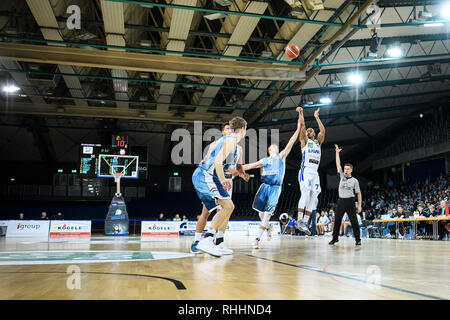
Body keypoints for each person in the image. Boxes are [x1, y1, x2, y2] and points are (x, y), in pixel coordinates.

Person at [243, 108, 301, 249]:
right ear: (269, 150)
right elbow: (251, 165)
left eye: (276, 146)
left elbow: (291, 143)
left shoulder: (281, 157)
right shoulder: (265, 160)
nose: (274, 147)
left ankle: (257, 239)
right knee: (261, 214)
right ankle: (268, 228)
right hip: (264, 187)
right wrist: (239, 168)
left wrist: (298, 128)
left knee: (267, 214)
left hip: (275, 188)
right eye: (272, 146)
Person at [190, 122, 249, 255]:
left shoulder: (237, 147)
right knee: (209, 211)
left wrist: (241, 173)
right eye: (226, 129)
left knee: (228, 208)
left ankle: (217, 241)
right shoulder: (225, 141)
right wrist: (223, 178)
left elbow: (235, 166)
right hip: (209, 176)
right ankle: (200, 241)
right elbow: (216, 161)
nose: (229, 131)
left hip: (218, 179)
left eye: (230, 128)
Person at [296, 107, 325, 235]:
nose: (308, 131)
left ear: (314, 133)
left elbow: (323, 132)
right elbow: (302, 126)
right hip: (306, 171)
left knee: (314, 196)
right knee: (306, 192)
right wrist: (301, 113)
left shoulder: (318, 142)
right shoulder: (304, 141)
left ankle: (305, 222)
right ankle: (299, 220)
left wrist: (317, 117)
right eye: (307, 131)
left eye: (310, 130)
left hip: (315, 173)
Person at [329, 144, 362, 246]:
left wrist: (359, 205)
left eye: (348, 169)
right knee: (337, 220)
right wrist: (337, 153)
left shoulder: (355, 181)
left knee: (354, 221)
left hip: (350, 201)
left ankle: (358, 239)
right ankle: (335, 238)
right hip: (341, 201)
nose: (346, 170)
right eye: (345, 168)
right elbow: (338, 164)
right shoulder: (342, 176)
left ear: (351, 170)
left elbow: (359, 193)